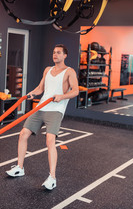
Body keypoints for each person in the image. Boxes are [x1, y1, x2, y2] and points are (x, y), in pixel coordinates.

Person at [6, 44, 79, 190]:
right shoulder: (48, 69)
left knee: (50, 140)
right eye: (54, 52)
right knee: (23, 134)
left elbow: (76, 91)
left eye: (58, 53)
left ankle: (52, 177)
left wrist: (62, 96)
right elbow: (40, 88)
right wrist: (31, 93)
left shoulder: (69, 71)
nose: (55, 54)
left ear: (65, 56)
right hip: (41, 107)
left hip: (56, 110)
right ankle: (20, 167)